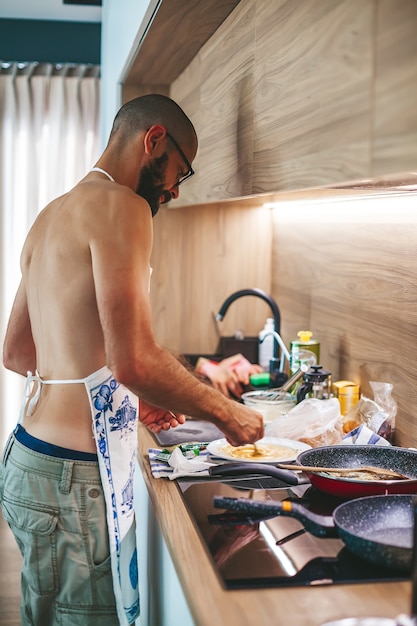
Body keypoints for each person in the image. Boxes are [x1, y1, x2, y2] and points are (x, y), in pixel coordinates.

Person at [0, 94, 264, 626]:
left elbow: (19, 352)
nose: (172, 190)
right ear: (154, 140)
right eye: (179, 173)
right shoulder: (125, 207)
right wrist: (227, 412)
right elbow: (135, 359)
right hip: (74, 479)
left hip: (28, 463)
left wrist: (120, 399)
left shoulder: (50, 215)